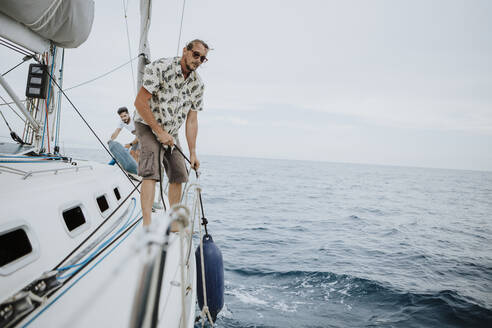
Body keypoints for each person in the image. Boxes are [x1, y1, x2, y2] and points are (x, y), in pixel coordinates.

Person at [134, 39, 209, 228]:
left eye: (203, 58)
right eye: (196, 54)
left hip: (171, 131)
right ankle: (147, 225)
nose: (199, 60)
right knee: (151, 172)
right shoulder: (160, 67)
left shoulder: (198, 85)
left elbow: (192, 121)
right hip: (147, 123)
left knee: (179, 173)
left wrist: (192, 152)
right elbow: (140, 103)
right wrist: (159, 132)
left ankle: (173, 220)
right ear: (185, 51)